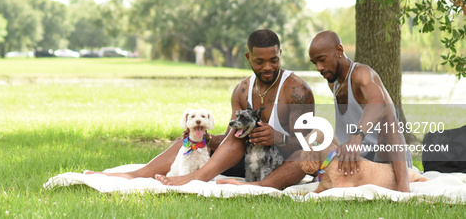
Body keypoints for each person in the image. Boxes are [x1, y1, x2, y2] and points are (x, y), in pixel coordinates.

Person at [87, 29, 315, 189]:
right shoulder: (242, 90)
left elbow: (313, 145)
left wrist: (279, 138)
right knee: (188, 143)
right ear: (248, 57)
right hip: (247, 161)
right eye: (260, 61)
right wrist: (206, 138)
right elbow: (231, 139)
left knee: (307, 156)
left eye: (273, 60)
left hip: (280, 163)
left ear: (280, 54)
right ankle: (132, 175)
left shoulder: (297, 91)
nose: (268, 67)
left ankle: (203, 178)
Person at [308, 30, 411, 192]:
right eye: (315, 63)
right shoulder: (333, 82)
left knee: (388, 120)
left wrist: (356, 138)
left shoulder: (361, 73)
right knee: (314, 136)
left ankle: (404, 189)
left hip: (385, 157)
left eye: (322, 60)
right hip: (353, 159)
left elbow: (379, 102)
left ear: (339, 51)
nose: (319, 68)